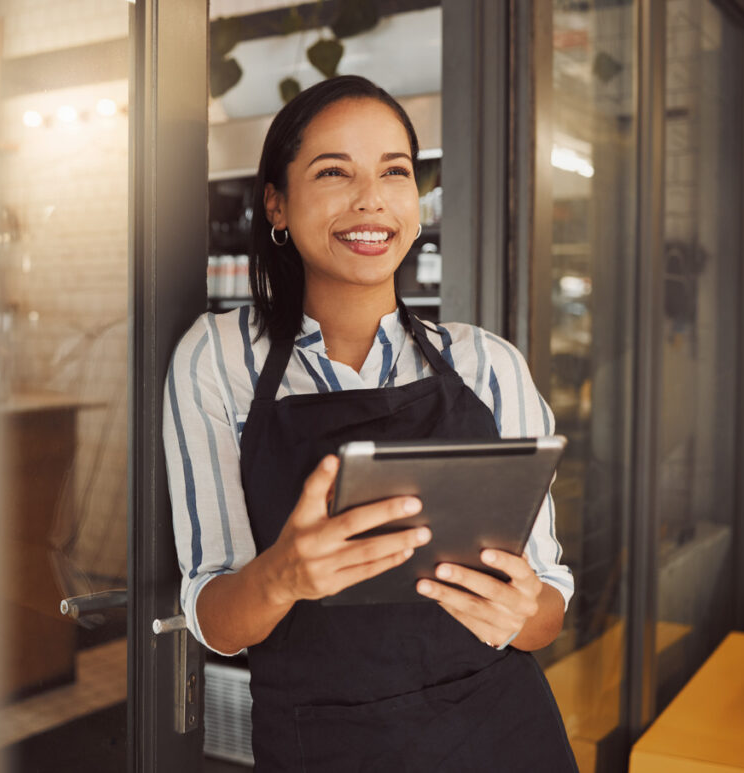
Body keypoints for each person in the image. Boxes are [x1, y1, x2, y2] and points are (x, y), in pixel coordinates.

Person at [163, 75, 577, 771]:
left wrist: (520, 612)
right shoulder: (219, 356)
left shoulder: (490, 366)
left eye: (395, 171)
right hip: (323, 746)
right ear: (277, 203)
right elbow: (213, 617)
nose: (371, 199)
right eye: (334, 171)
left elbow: (546, 607)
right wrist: (281, 577)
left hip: (503, 736)